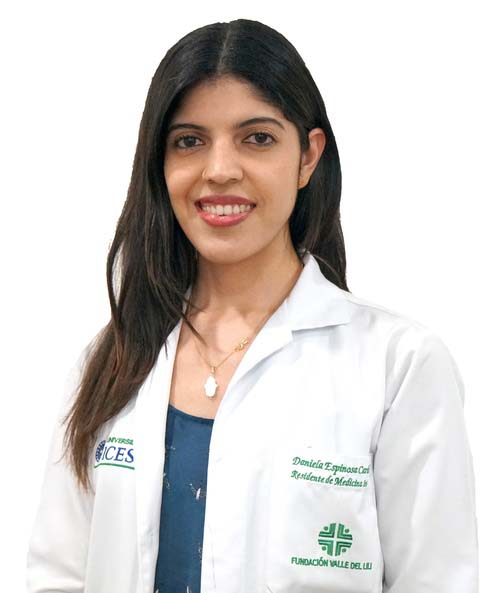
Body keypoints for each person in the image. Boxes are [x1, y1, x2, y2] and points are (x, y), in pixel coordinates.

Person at [26, 18, 479, 593]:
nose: (219, 170)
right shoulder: (112, 360)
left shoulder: (398, 366)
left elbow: (437, 581)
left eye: (257, 138)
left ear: (308, 157)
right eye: (189, 141)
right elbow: (59, 576)